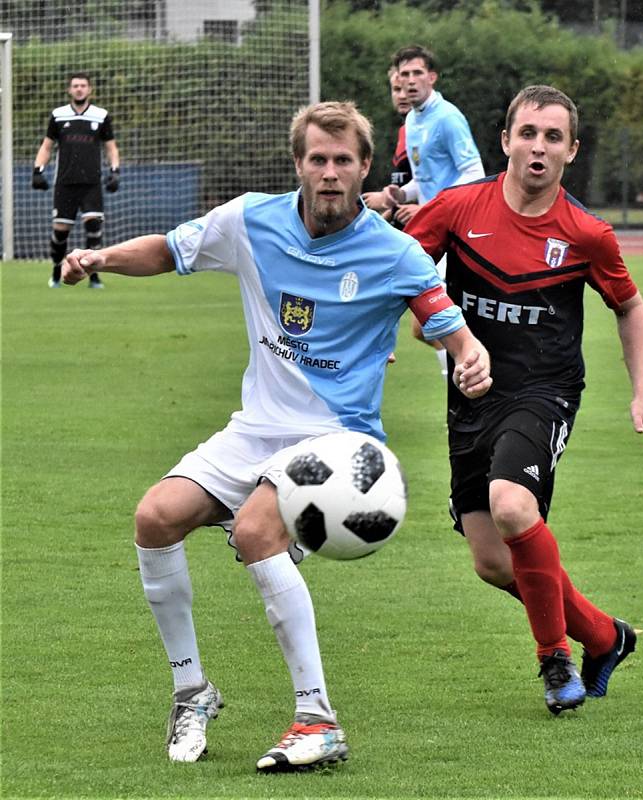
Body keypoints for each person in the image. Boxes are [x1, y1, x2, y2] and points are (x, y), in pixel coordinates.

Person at [62, 101, 492, 770]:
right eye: (316, 159)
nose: (328, 173)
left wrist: (470, 357)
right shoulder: (249, 221)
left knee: (256, 531)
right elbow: (171, 249)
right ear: (298, 164)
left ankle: (316, 720)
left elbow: (448, 327)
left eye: (342, 161)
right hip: (256, 428)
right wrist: (98, 258)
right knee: (155, 518)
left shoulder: (394, 251)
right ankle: (191, 691)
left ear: (364, 168)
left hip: (336, 439)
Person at [404, 85, 643, 715]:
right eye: (528, 133)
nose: (538, 147)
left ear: (571, 151)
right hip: (471, 397)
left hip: (544, 392)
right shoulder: (455, 208)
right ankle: (605, 637)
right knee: (493, 563)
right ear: (505, 141)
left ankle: (555, 659)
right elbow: (402, 272)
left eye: (553, 137)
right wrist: (434, 329)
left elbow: (629, 306)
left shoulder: (585, 233)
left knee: (512, 506)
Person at [383, 44, 486, 376]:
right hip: (433, 233)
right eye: (404, 74)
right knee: (426, 325)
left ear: (432, 77)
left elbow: (474, 174)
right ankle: (465, 381)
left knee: (432, 323)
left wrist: (429, 208)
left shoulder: (448, 118)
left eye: (417, 73)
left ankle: (465, 385)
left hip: (454, 234)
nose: (410, 81)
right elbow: (425, 179)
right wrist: (402, 192)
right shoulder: (413, 120)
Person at [32, 72, 120, 289]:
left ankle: (94, 276)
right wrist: (38, 170)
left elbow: (110, 146)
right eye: (75, 86)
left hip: (91, 183)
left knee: (93, 228)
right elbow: (47, 145)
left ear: (89, 89)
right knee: (61, 231)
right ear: (69, 90)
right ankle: (56, 270)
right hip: (65, 183)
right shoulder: (59, 115)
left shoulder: (101, 115)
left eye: (83, 85)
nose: (79, 89)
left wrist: (115, 171)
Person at [361, 67, 418, 226]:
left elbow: (433, 184)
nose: (402, 95)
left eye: (407, 89)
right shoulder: (404, 130)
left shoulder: (427, 129)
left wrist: (384, 200)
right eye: (397, 89)